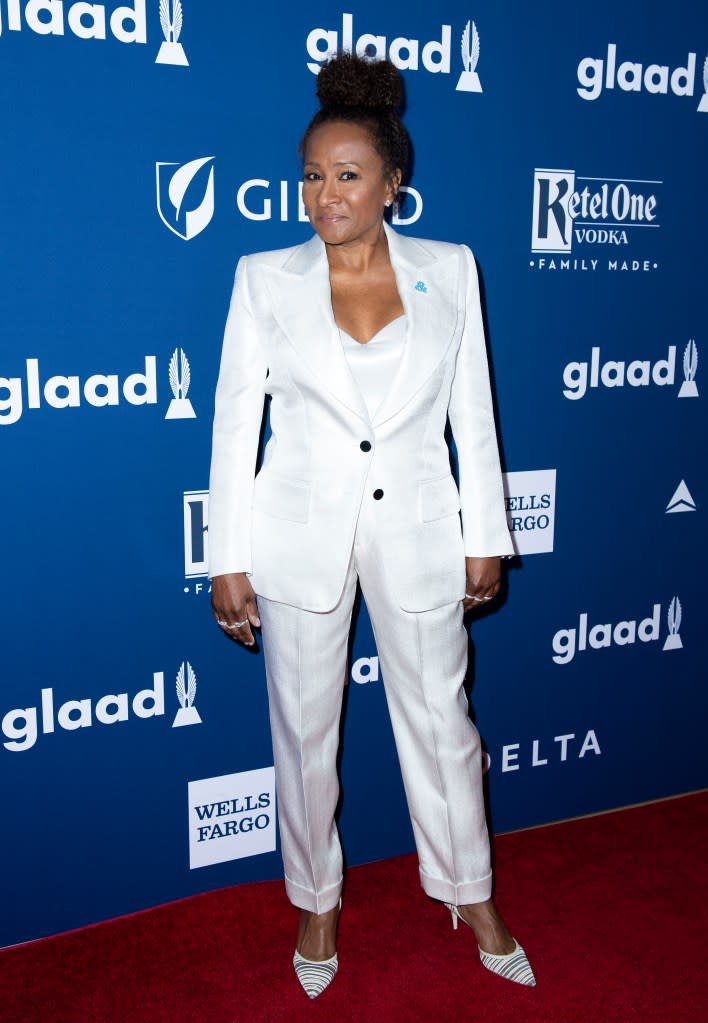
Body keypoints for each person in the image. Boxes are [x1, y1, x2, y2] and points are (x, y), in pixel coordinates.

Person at [208, 53, 535, 999]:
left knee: (443, 722)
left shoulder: (451, 269)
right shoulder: (264, 277)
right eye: (312, 174)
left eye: (347, 175)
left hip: (424, 527)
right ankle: (317, 897)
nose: (324, 194)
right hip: (297, 532)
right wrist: (225, 556)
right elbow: (234, 424)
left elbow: (474, 410)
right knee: (303, 732)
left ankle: (468, 889)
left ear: (394, 184)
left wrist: (487, 531)